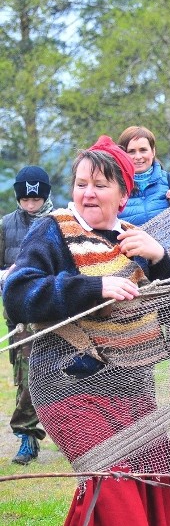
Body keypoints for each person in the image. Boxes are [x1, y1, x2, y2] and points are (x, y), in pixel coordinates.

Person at [2, 137, 170, 526]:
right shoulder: (52, 231)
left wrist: (161, 260)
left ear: (124, 195)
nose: (88, 193)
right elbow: (18, 295)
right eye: (81, 183)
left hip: (132, 391)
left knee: (156, 487)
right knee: (115, 490)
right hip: (68, 387)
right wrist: (92, 288)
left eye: (101, 185)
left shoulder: (136, 241)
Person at [0, 166, 53, 464]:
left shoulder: (60, 223)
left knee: (54, 375)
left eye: (36, 200)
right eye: (25, 200)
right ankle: (27, 436)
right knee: (26, 377)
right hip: (19, 314)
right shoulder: (5, 226)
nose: (31, 205)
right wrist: (7, 276)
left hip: (53, 309)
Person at [117, 126, 170, 225]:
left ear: (153, 151)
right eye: (131, 151)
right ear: (122, 155)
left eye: (143, 150)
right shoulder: (115, 188)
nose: (138, 157)